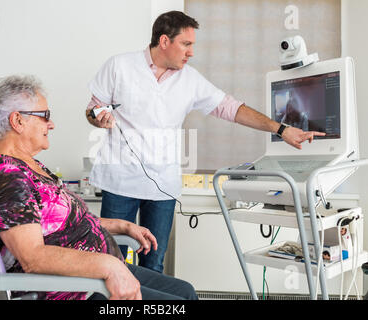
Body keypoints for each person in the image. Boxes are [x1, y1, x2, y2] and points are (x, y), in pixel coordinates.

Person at [85, 11, 325, 273]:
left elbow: (231, 109)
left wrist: (280, 128)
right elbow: (93, 109)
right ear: (164, 41)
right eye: (186, 44)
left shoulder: (190, 79)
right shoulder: (119, 66)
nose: (191, 53)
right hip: (119, 183)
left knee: (153, 265)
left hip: (162, 189)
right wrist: (98, 118)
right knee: (112, 262)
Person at [0, 75, 198, 300]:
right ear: (18, 121)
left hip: (98, 273)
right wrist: (109, 266)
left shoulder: (30, 166)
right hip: (74, 291)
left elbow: (62, 223)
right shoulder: (6, 176)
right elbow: (33, 257)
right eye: (45, 116)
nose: (51, 124)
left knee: (186, 292)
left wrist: (122, 226)